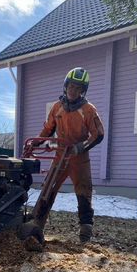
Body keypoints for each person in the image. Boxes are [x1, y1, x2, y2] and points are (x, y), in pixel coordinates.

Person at [33, 67, 104, 243]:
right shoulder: (57, 108)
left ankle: (85, 231)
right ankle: (36, 226)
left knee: (83, 192)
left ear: (83, 91)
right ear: (66, 86)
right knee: (48, 189)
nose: (73, 90)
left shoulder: (88, 110)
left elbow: (98, 135)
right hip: (60, 156)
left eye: (78, 88)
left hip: (79, 158)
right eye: (71, 86)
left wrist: (80, 147)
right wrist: (36, 141)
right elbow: (48, 129)